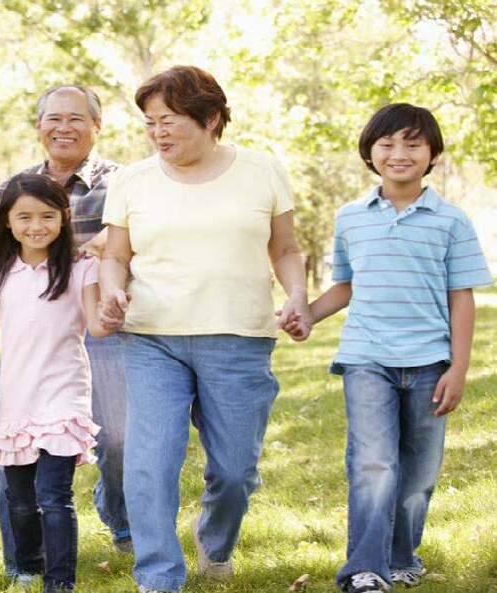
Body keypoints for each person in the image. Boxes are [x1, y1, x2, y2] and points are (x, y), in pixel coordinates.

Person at [99, 66, 311, 593]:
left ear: (211, 117)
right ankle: (158, 577)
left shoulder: (262, 170)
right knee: (151, 464)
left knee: (236, 470)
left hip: (238, 337)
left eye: (168, 121)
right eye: (150, 123)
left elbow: (284, 248)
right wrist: (111, 290)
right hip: (152, 338)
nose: (158, 133)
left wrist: (298, 296)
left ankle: (214, 545)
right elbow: (115, 255)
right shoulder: (132, 180)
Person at [287, 104, 493, 593]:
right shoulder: (351, 218)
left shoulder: (451, 221)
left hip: (429, 363)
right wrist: (308, 315)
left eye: (412, 143)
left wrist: (458, 368)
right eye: (387, 144)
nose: (399, 153)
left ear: (432, 154)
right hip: (367, 360)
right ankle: (364, 568)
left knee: (418, 473)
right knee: (374, 464)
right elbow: (347, 285)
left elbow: (461, 299)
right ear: (370, 153)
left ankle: (402, 557)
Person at [0, 173, 110, 592]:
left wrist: (113, 307)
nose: (36, 226)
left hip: (64, 396)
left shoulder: (81, 269)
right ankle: (28, 568)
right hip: (17, 401)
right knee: (20, 501)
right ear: (6, 222)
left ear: (64, 217)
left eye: (47, 216)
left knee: (54, 496)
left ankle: (59, 582)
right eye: (25, 217)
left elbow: (96, 326)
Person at [0, 84, 131, 571]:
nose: (63, 127)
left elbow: (133, 240)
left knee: (115, 437)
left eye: (76, 118)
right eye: (54, 118)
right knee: (18, 443)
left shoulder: (123, 182)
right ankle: (23, 563)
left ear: (97, 126)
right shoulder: (13, 187)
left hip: (98, 316)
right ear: (39, 126)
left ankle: (120, 519)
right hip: (38, 328)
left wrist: (102, 253)